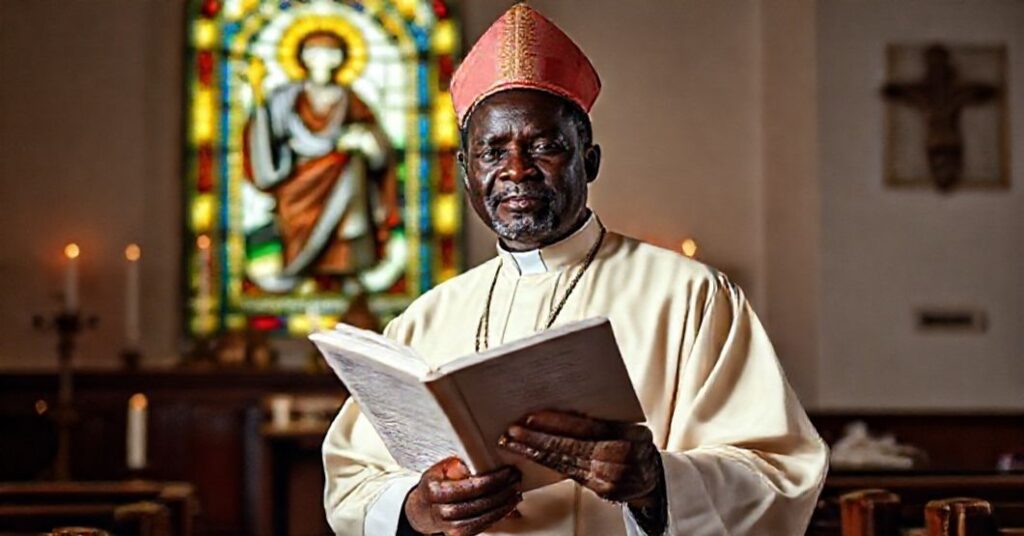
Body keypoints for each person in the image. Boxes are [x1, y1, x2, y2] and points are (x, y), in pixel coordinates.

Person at [322, 4, 827, 535]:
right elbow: (352, 481)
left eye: (544, 147)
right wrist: (416, 508)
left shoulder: (691, 297)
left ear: (589, 161)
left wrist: (660, 484)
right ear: (466, 174)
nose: (516, 170)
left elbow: (780, 473)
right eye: (492, 152)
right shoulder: (426, 320)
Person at [243, 30, 397, 292]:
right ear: (303, 59)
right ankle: (295, 269)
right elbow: (268, 135)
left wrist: (362, 139)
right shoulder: (285, 98)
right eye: (315, 54)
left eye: (330, 54)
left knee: (352, 176)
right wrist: (260, 111)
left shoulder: (350, 99)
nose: (322, 60)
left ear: (340, 59)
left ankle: (349, 273)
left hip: (343, 175)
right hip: (298, 179)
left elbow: (378, 142)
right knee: (298, 221)